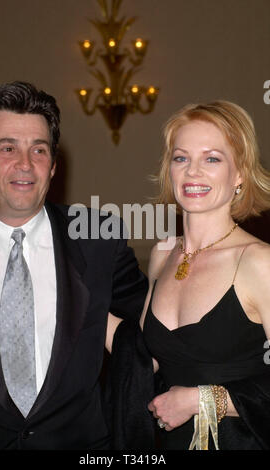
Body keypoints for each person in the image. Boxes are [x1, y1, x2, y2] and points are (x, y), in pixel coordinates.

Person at [0, 81, 148, 450]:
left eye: (39, 150)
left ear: (53, 166)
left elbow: (155, 327)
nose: (25, 164)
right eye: (8, 148)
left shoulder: (99, 239)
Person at [107, 100, 270, 450]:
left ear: (239, 173)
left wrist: (203, 401)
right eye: (181, 158)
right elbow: (142, 359)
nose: (193, 172)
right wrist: (69, 300)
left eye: (212, 158)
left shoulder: (259, 263)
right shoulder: (163, 254)